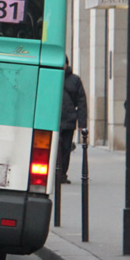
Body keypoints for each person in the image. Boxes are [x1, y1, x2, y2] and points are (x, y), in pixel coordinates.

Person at [58, 56, 88, 184]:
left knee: (65, 148)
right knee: (55, 148)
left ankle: (62, 173)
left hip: (68, 120)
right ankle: (55, 172)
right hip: (53, 121)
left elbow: (81, 102)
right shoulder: (51, 76)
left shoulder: (75, 80)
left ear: (66, 64)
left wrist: (82, 124)